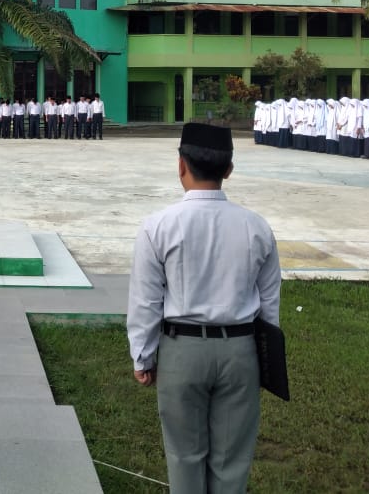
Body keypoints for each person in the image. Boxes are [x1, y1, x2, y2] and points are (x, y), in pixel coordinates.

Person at [127, 122, 281, 493]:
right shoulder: (257, 227)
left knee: (184, 456)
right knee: (232, 461)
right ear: (229, 169)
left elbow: (146, 300)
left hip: (182, 351)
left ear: (181, 165)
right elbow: (269, 303)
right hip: (240, 351)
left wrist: (142, 356)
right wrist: (266, 361)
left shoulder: (158, 226)